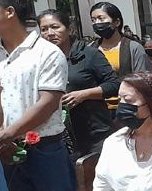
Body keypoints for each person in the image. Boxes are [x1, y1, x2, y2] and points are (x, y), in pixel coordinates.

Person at [0, 0, 82, 191]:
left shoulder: (46, 52)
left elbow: (48, 103)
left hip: (45, 146)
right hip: (7, 148)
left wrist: (8, 133)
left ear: (9, 12)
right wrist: (2, 136)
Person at [37, 9, 118, 159]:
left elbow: (115, 84)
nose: (50, 33)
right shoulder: (40, 61)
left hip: (95, 134)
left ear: (69, 29)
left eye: (55, 27)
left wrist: (84, 94)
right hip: (59, 137)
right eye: (44, 29)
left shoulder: (89, 54)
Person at [89, 2, 151, 79]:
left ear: (117, 22)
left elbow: (143, 78)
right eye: (93, 20)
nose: (97, 23)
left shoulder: (133, 48)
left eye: (101, 18)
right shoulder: (90, 48)